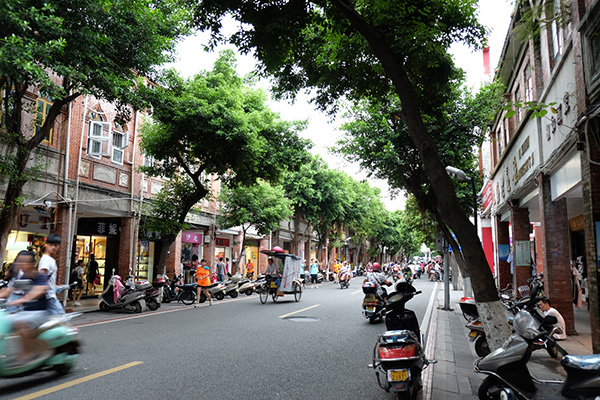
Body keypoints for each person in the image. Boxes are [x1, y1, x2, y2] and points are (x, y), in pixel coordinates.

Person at [0, 250, 50, 364]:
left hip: (40, 312)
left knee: (21, 323)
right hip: (24, 312)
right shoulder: (21, 278)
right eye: (19, 261)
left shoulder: (39, 277)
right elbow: (8, 292)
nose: (21, 264)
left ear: (32, 264)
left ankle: (27, 354)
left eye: (24, 262)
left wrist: (24, 299)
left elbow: (40, 289)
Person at [38, 234, 64, 315]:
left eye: (56, 245)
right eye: (51, 245)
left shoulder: (50, 259)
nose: (53, 247)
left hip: (50, 296)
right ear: (46, 245)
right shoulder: (46, 259)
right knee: (61, 319)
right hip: (49, 297)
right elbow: (42, 278)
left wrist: (55, 286)